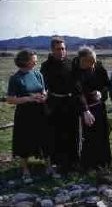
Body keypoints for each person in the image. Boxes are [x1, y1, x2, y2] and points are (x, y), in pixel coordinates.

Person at [40, 37, 91, 174]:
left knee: (73, 134)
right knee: (57, 134)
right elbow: (43, 86)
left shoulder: (72, 64)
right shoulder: (46, 66)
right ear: (52, 50)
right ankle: (58, 163)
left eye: (63, 48)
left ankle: (74, 162)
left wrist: (85, 108)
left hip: (71, 104)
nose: (61, 51)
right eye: (58, 49)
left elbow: (78, 87)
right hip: (55, 104)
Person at [6, 50, 53, 183]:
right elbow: (10, 99)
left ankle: (49, 167)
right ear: (25, 61)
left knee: (45, 139)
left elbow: (44, 90)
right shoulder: (15, 78)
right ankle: (25, 170)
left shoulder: (38, 74)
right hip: (24, 115)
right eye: (34, 59)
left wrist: (44, 96)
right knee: (24, 141)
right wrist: (29, 98)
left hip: (40, 112)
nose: (36, 61)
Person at [72, 46, 112, 170]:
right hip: (84, 108)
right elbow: (78, 92)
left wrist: (101, 93)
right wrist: (85, 110)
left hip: (99, 106)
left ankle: (103, 162)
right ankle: (88, 164)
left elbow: (106, 85)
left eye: (94, 61)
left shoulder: (98, 67)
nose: (93, 65)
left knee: (102, 134)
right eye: (90, 62)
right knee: (88, 136)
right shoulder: (75, 71)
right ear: (83, 61)